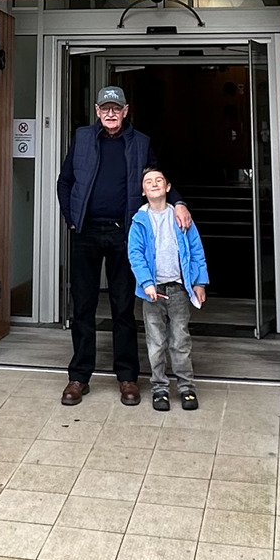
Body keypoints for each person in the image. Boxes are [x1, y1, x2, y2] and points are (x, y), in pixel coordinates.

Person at [54, 86, 190, 406]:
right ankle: (79, 377)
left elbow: (155, 180)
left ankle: (128, 378)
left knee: (123, 308)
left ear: (126, 111)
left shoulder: (140, 143)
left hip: (124, 234)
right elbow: (65, 181)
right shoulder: (84, 138)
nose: (110, 114)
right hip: (85, 231)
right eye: (105, 108)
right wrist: (71, 218)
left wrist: (178, 202)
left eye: (116, 108)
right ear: (97, 111)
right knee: (83, 306)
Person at [127, 165, 208, 410]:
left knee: (180, 339)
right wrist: (146, 283)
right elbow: (135, 255)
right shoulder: (139, 221)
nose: (154, 184)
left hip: (179, 289)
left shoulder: (181, 217)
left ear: (168, 187)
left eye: (159, 180)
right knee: (156, 341)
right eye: (148, 181)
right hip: (153, 291)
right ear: (142, 190)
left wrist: (199, 282)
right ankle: (159, 387)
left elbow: (196, 252)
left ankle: (186, 386)